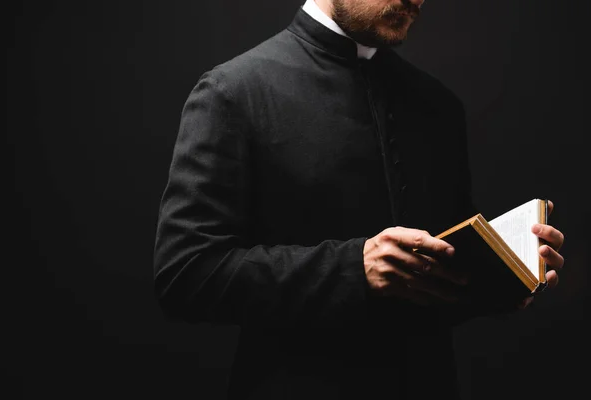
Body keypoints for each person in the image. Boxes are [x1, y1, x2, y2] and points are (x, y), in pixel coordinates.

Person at [152, 0, 565, 398]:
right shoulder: (233, 91)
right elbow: (185, 273)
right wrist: (354, 267)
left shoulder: (438, 105)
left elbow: (442, 281)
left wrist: (507, 276)